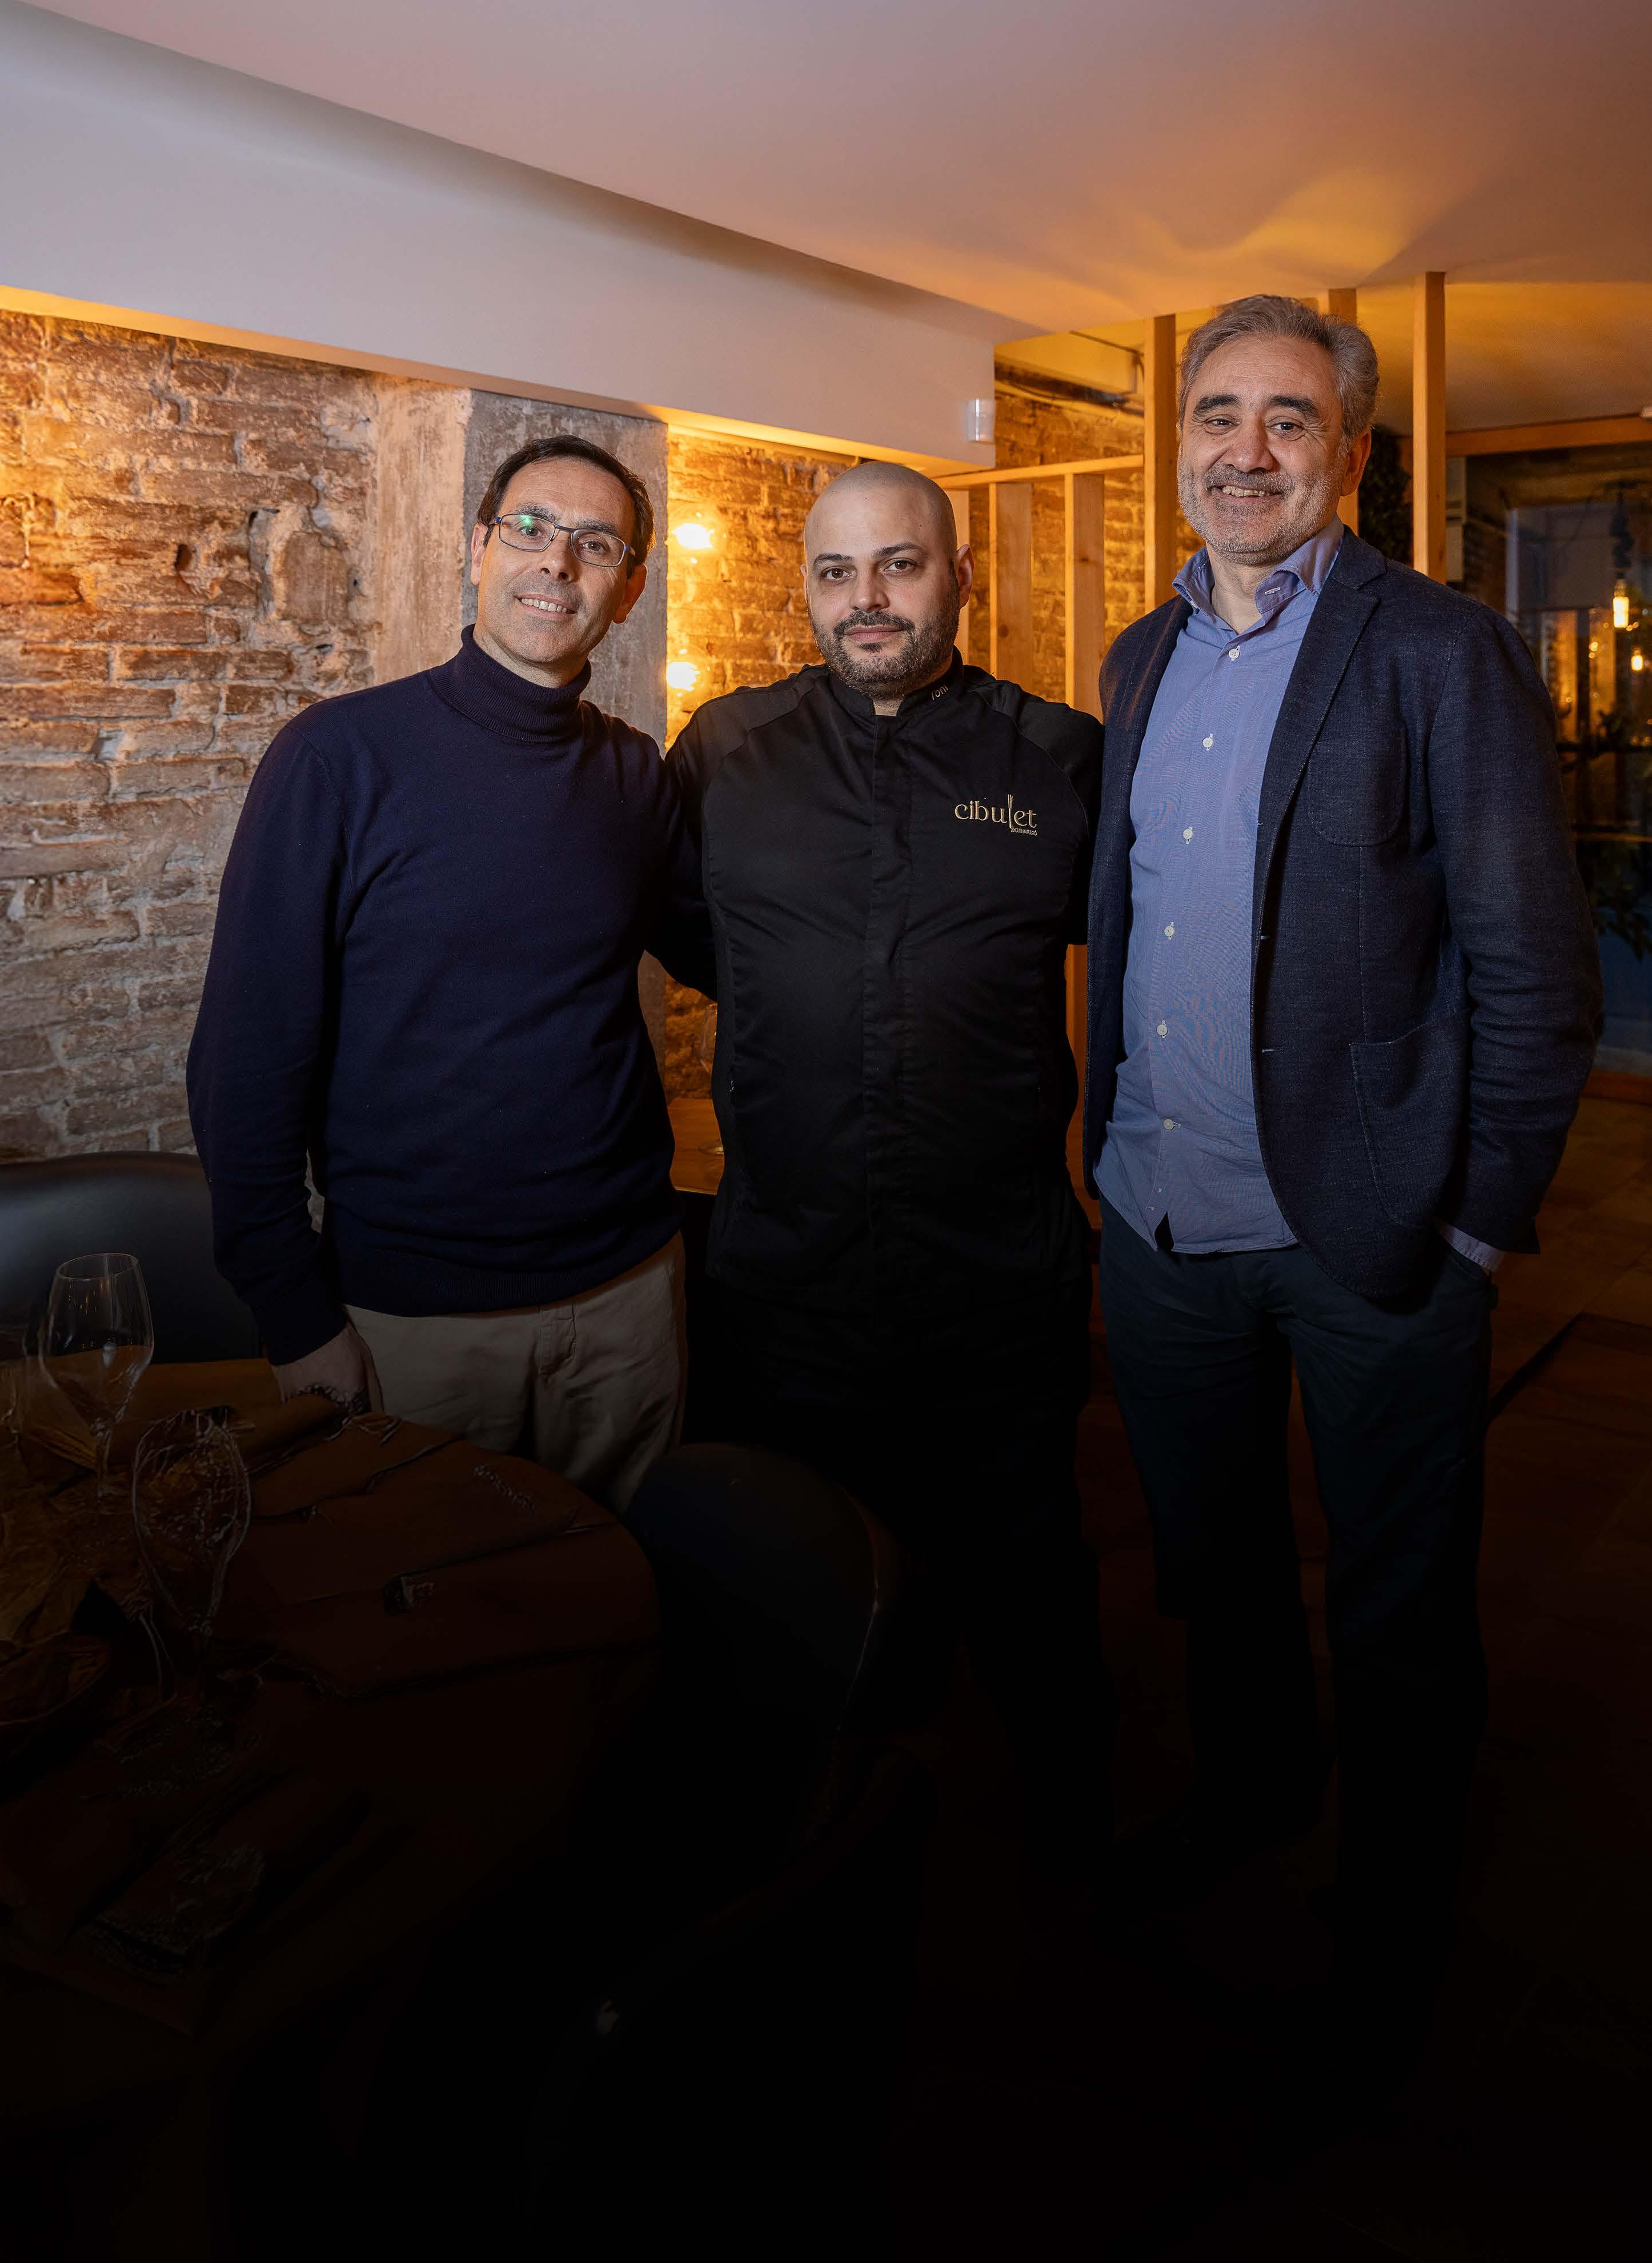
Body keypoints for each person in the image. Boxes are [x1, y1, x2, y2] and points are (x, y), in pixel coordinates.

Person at [1084, 295, 1603, 2086]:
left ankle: (1390, 1924)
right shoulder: (1136, 660)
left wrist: (1474, 1221)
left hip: (1370, 1237)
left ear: (1349, 454)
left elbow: (1534, 966)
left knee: (1394, 1603)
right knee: (1216, 1568)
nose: (1244, 449)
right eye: (1214, 413)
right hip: (1159, 1222)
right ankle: (1250, 1794)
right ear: (1178, 443)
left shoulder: (1436, 648)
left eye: (1286, 419)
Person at [668, 460, 1111, 1872]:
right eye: (837, 572)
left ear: (960, 578)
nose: (867, 599)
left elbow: (1149, 946)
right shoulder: (725, 751)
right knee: (794, 1595)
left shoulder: (1059, 756)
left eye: (900, 566)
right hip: (785, 1279)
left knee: (1033, 1593)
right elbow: (692, 932)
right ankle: (804, 1865)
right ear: (805, 589)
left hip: (999, 1282)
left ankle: (1073, 1861)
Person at [188, 435, 712, 1512]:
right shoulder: (337, 757)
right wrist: (295, 1315)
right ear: (479, 548)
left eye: (596, 544)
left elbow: (728, 952)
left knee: (627, 1592)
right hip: (412, 1322)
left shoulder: (633, 774)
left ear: (627, 590)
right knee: (412, 1602)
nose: (556, 560)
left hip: (628, 1300)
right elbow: (244, 1060)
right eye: (530, 527)